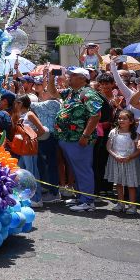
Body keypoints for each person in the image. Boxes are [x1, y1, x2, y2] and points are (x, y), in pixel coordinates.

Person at [47, 67, 102, 212]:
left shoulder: (88, 93)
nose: (69, 77)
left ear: (83, 78)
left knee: (83, 169)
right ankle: (80, 197)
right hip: (68, 138)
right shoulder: (72, 92)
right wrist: (51, 78)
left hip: (79, 140)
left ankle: (88, 201)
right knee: (76, 169)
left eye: (73, 75)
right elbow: (53, 93)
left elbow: (95, 115)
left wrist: (85, 135)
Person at [31, 76, 64, 203]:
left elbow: (30, 104)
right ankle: (49, 188)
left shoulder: (53, 103)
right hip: (46, 137)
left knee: (50, 165)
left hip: (49, 137)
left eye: (44, 91)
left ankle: (54, 193)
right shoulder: (51, 102)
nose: (41, 93)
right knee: (46, 164)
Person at [11, 95, 47, 207]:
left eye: (16, 102)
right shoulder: (19, 115)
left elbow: (41, 130)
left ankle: (37, 199)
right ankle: (24, 197)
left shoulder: (30, 114)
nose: (14, 104)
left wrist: (32, 139)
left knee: (32, 173)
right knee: (20, 172)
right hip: (21, 149)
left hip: (29, 149)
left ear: (21, 103)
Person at [105, 110, 140, 215]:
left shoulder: (134, 134)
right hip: (116, 160)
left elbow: (138, 150)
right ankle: (120, 203)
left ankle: (132, 205)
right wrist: (115, 155)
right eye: (120, 118)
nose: (121, 120)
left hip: (130, 161)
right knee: (119, 183)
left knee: (131, 184)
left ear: (131, 121)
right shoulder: (114, 132)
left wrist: (129, 157)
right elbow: (108, 146)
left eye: (124, 118)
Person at [93, 73, 119, 196]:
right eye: (102, 84)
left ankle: (109, 186)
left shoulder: (118, 97)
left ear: (113, 84)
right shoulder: (97, 97)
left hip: (115, 133)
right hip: (100, 132)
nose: (105, 86)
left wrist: (116, 106)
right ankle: (100, 186)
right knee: (99, 160)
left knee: (110, 160)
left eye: (107, 83)